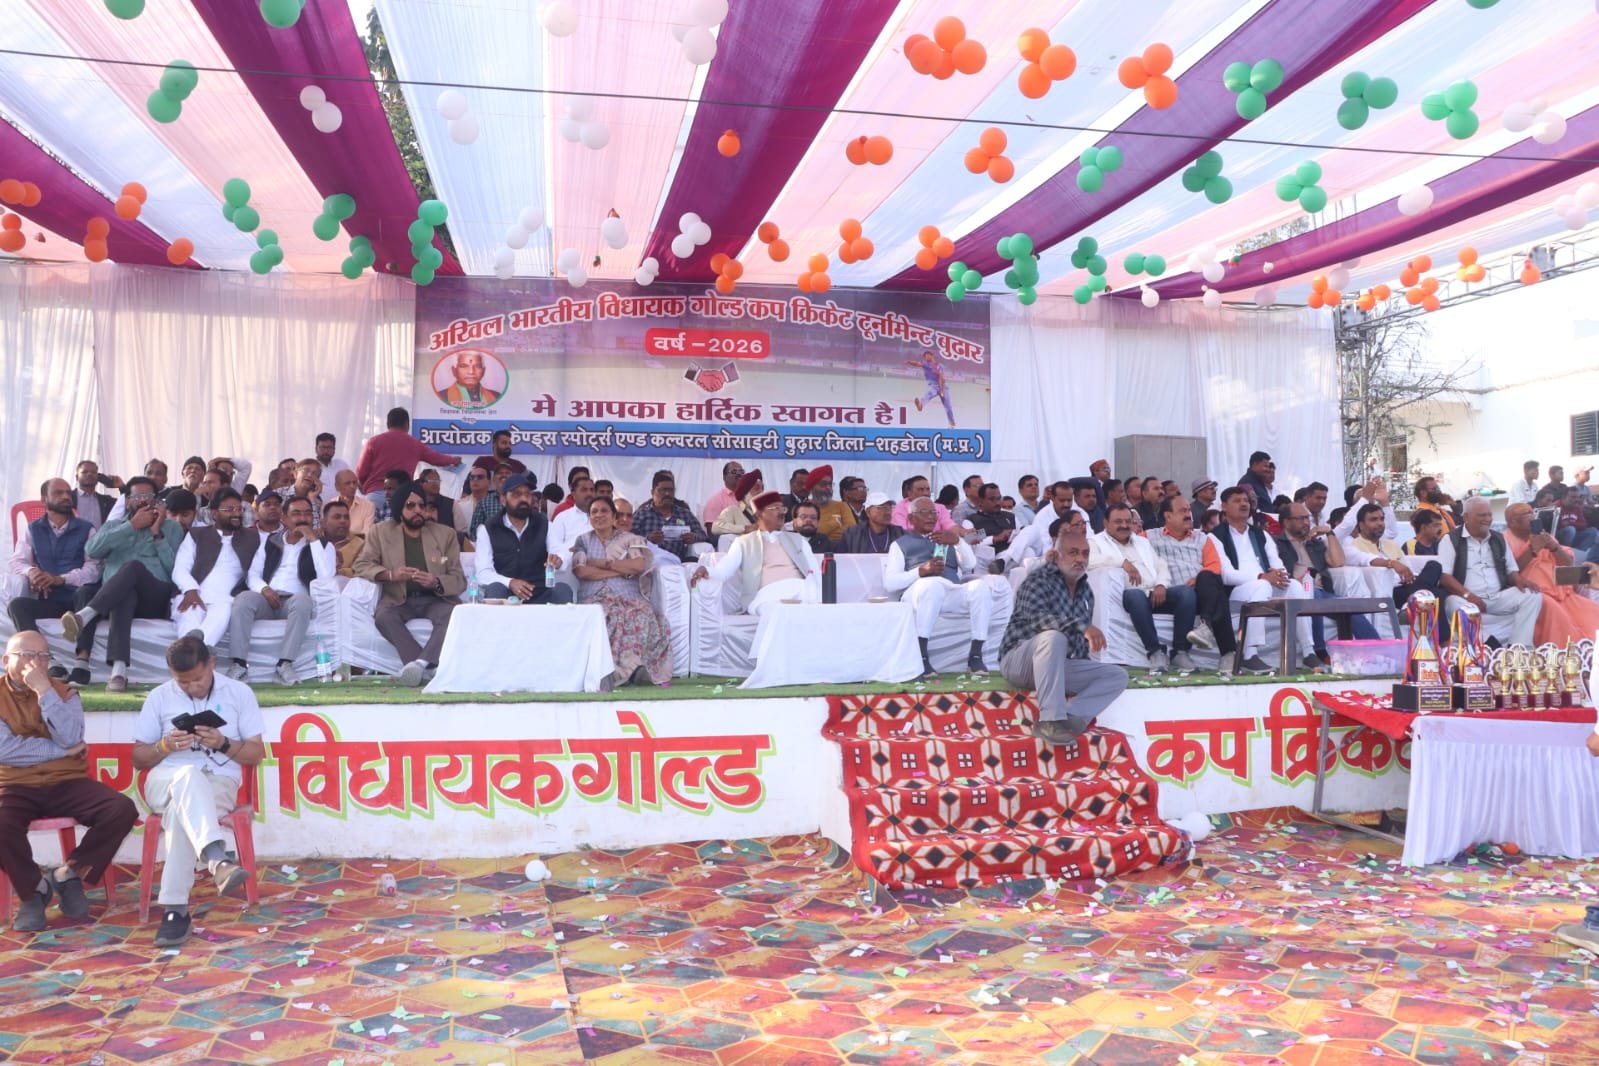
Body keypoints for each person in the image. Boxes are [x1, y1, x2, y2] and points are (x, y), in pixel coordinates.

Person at [129, 636, 263, 946]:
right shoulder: (159, 697)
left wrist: (223, 743)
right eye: (183, 682)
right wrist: (164, 746)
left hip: (218, 781)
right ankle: (216, 859)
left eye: (197, 679)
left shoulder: (239, 693)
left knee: (180, 813)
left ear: (211, 664)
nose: (191, 687)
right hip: (164, 779)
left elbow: (256, 754)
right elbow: (138, 759)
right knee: (187, 775)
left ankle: (175, 911)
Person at [0, 632, 137, 932]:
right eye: (27, 655)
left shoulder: (64, 693)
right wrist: (62, 751)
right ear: (6, 659)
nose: (35, 663)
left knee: (121, 809)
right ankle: (33, 891)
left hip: (66, 780)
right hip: (14, 783)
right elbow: (6, 750)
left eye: (43, 656)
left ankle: (68, 874)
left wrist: (44, 692)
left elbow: (72, 736)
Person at [998, 528, 1123, 746]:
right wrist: (1081, 626)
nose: (1080, 559)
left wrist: (1085, 661)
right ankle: (1049, 721)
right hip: (1019, 662)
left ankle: (1071, 717)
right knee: (1053, 637)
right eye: (1073, 553)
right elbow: (1036, 620)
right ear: (1056, 556)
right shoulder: (1037, 581)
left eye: (1085, 554)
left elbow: (1079, 644)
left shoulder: (1085, 591)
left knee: (1116, 675)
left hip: (1055, 667)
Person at [59, 480, 185, 693]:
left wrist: (157, 533)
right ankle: (118, 671)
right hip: (116, 597)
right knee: (124, 593)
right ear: (127, 502)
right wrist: (131, 526)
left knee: (132, 567)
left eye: (148, 496)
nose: (143, 501)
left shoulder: (172, 528)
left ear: (156, 501)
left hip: (154, 596)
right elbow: (93, 550)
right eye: (137, 497)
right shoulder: (113, 526)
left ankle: (85, 615)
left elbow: (175, 570)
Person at [353, 482, 466, 686]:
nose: (418, 511)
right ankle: (427, 668)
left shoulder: (445, 534)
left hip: (435, 599)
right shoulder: (381, 532)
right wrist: (390, 575)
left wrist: (436, 581)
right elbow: (361, 565)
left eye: (422, 505)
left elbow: (458, 578)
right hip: (398, 599)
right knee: (384, 617)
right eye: (410, 506)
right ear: (399, 509)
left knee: (455, 614)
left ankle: (419, 665)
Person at [884, 498, 1002, 675]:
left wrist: (958, 542)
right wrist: (920, 571)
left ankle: (975, 655)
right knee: (933, 585)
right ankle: (921, 656)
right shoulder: (900, 544)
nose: (930, 516)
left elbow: (970, 564)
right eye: (924, 512)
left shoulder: (947, 538)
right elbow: (890, 583)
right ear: (911, 518)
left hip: (949, 591)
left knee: (980, 587)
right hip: (918, 593)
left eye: (933, 512)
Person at [227, 496, 334, 685]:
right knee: (243, 599)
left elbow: (326, 579)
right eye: (296, 513)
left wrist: (312, 540)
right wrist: (264, 589)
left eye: (307, 514)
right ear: (284, 518)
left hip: (294, 602)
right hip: (268, 599)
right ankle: (239, 665)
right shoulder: (270, 542)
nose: (303, 519)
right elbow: (253, 574)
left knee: (302, 601)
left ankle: (284, 664)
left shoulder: (324, 545)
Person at [571, 497, 672, 687]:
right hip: (594, 596)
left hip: (629, 596)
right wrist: (621, 570)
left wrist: (601, 563)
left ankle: (633, 668)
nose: (599, 515)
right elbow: (581, 571)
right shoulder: (582, 540)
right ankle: (616, 672)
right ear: (589, 517)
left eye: (604, 511)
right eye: (594, 512)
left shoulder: (631, 539)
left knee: (641, 614)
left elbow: (638, 566)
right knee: (603, 614)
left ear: (613, 517)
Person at [8, 479, 101, 684]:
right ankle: (50, 661)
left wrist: (60, 579)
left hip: (78, 599)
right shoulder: (33, 529)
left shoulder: (87, 528)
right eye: (58, 493)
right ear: (44, 500)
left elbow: (94, 569)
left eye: (68, 492)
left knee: (86, 593)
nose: (66, 496)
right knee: (17, 605)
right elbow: (17, 561)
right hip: (50, 600)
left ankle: (82, 662)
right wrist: (32, 572)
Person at [1090, 503, 1198, 673]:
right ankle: (1155, 652)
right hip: (1127, 596)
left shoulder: (1142, 542)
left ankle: (1180, 652)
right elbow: (1088, 560)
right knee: (1136, 595)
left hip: (1153, 592)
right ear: (1106, 523)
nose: (1124, 525)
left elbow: (1160, 565)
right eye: (1118, 521)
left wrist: (1161, 585)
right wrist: (1122, 562)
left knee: (1186, 593)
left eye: (1128, 521)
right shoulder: (1095, 542)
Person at [1205, 486, 1302, 675]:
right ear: (1223, 506)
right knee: (1262, 586)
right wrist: (1261, 577)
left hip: (1265, 585)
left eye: (1246, 501)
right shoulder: (1215, 536)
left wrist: (1280, 575)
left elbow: (1277, 563)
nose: (1243, 504)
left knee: (1296, 587)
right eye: (1237, 501)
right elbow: (1226, 575)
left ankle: (1309, 650)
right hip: (1236, 592)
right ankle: (1249, 655)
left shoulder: (1260, 534)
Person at [1277, 501, 1379, 668]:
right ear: (1287, 522)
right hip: (1292, 590)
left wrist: (1330, 533)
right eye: (1301, 518)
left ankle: (1377, 652)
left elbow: (1338, 562)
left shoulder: (1314, 543)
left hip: (1320, 589)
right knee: (1313, 596)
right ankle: (1318, 651)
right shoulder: (1277, 543)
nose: (1306, 522)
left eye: (1307, 518)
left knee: (1350, 606)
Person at [689, 492, 818, 617]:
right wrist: (707, 570)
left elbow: (815, 572)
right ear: (760, 514)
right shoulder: (743, 542)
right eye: (775, 508)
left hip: (800, 591)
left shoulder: (799, 540)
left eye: (782, 508)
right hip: (767, 596)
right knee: (778, 612)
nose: (782, 513)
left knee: (812, 602)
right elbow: (725, 570)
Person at [1436, 496, 1542, 647]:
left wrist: (1520, 581)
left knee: (1533, 595)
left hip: (1497, 597)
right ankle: (1489, 645)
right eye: (1482, 515)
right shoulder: (1451, 540)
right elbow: (1445, 577)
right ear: (1466, 517)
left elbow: (1511, 571)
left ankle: (1519, 647)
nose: (1487, 519)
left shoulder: (1499, 538)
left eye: (1489, 515)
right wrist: (1469, 595)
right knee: (1453, 603)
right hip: (1465, 598)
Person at [1146, 496, 1231, 676]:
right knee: (1218, 596)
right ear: (1168, 516)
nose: (1188, 515)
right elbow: (1129, 549)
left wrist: (1198, 579)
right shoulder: (1148, 537)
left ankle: (1206, 627)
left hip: (1201, 594)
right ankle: (1228, 653)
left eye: (1189, 511)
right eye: (1182, 511)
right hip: (1170, 595)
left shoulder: (1202, 538)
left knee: (1209, 577)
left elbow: (1214, 566)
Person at [171, 488, 257, 652]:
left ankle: (190, 655)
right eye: (230, 509)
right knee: (190, 613)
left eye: (239, 509)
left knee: (224, 609)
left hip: (226, 599)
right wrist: (190, 590)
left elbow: (255, 573)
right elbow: (180, 569)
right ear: (215, 513)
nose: (236, 514)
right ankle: (197, 655)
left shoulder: (252, 537)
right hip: (194, 593)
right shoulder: (197, 534)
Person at [1502, 502, 1599, 647]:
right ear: (1513, 522)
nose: (1532, 516)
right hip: (1536, 593)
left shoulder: (1543, 535)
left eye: (1531, 512)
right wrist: (1533, 550)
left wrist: (1553, 547)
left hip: (1562, 590)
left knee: (1591, 612)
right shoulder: (1504, 541)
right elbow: (1509, 573)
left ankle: (1590, 652)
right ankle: (1567, 655)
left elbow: (1567, 563)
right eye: (1526, 514)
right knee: (1560, 619)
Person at [473, 474, 574, 605]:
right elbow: (483, 572)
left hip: (539, 592)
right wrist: (510, 582)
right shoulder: (488, 529)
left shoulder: (544, 524)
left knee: (563, 590)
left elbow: (560, 551)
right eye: (517, 494)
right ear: (503, 500)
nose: (524, 499)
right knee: (495, 589)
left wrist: (559, 559)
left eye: (527, 494)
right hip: (506, 593)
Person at [1345, 502, 1442, 609]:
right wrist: (1393, 564)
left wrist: (1411, 577)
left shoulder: (1392, 544)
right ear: (1361, 525)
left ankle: (1414, 597)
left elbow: (1408, 570)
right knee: (1436, 594)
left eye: (1382, 519)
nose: (1380, 523)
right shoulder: (1354, 547)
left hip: (1408, 586)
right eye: (1373, 520)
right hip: (1390, 591)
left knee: (1434, 567)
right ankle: (1415, 598)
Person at [354, 407, 463, 503]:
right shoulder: (415, 444)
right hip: (402, 497)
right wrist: (452, 460)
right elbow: (436, 458)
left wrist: (365, 487)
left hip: (375, 495)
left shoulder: (373, 442)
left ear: (388, 424)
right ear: (407, 424)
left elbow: (361, 472)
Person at [630, 473, 710, 561]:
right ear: (652, 492)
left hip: (678, 561)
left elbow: (702, 535)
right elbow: (629, 537)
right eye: (662, 490)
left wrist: (693, 537)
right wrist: (648, 539)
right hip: (650, 561)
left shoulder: (684, 513)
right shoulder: (642, 513)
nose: (667, 494)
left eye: (671, 490)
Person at [548, 475, 597, 557]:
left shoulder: (601, 517)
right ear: (574, 494)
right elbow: (554, 549)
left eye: (592, 490)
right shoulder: (562, 518)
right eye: (584, 490)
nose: (589, 493)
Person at [436, 349, 502, 408]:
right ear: (454, 371)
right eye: (464, 366)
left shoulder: (496, 396)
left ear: (483, 371)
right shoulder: (441, 396)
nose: (471, 372)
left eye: (477, 366)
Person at [906, 350, 956, 427]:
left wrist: (941, 389)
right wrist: (909, 362)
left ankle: (952, 423)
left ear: (932, 355)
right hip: (933, 385)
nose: (925, 357)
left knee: (948, 406)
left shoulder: (940, 366)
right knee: (929, 394)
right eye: (924, 356)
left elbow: (941, 377)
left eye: (927, 355)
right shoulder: (925, 364)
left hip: (943, 386)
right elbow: (917, 363)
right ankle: (921, 405)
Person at [467, 462, 516, 539]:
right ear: (493, 479)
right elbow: (474, 532)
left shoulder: (520, 501)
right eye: (500, 473)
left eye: (507, 473)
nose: (503, 475)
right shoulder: (484, 502)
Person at [967, 482, 1016, 555]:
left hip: (1015, 551)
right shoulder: (972, 519)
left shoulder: (1010, 515)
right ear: (981, 501)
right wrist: (995, 538)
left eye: (999, 498)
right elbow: (968, 539)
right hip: (991, 556)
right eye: (992, 499)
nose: (997, 503)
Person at [712, 469, 764, 537]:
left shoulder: (768, 512)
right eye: (757, 488)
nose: (761, 492)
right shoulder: (733, 510)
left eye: (762, 488)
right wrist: (746, 528)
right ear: (745, 493)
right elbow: (716, 527)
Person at [1557, 485, 1599, 562]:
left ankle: (1579, 556)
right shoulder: (1556, 506)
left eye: (1577, 497)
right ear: (1564, 497)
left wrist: (1570, 523)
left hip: (1574, 535)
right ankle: (1566, 554)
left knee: (1593, 531)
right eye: (1572, 497)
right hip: (1559, 538)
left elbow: (1584, 525)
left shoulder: (1576, 507)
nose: (1576, 500)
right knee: (1570, 530)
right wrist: (1566, 525)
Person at [819, 475, 863, 545]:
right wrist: (835, 523)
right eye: (859, 488)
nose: (863, 491)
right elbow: (812, 532)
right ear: (846, 492)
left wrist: (827, 530)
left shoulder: (869, 512)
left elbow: (853, 531)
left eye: (864, 488)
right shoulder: (807, 508)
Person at [72, 461, 116, 530]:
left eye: (93, 472)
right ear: (77, 477)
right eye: (84, 472)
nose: (89, 474)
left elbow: (127, 504)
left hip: (101, 537)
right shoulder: (68, 498)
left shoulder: (106, 501)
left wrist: (120, 486)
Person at [700, 461, 746, 525]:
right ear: (724, 477)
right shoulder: (715, 501)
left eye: (741, 472)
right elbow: (711, 529)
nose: (739, 474)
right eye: (734, 472)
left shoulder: (749, 496)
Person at [416, 468, 456, 534]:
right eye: (431, 481)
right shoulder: (416, 504)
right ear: (421, 483)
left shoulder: (451, 504)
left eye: (437, 481)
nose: (435, 484)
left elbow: (462, 532)